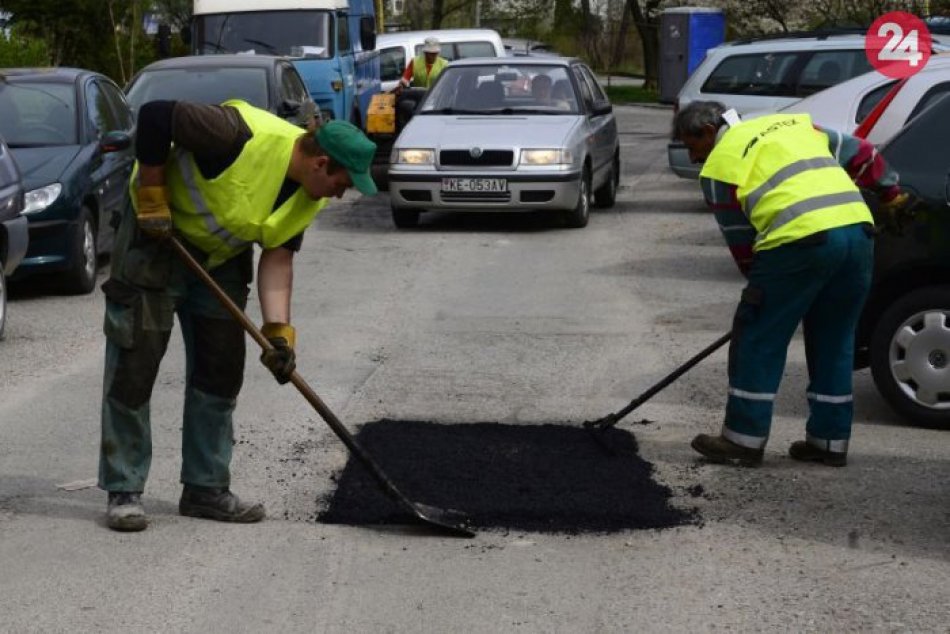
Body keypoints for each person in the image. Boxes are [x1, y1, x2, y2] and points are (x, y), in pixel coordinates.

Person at [98, 99, 377, 531]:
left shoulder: (309, 195)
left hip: (221, 258)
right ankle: (124, 490)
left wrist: (278, 335)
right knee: (136, 362)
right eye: (343, 183)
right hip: (157, 239)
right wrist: (153, 194)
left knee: (220, 370)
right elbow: (155, 115)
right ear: (321, 163)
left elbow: (278, 258)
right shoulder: (233, 133)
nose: (343, 193)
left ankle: (205, 489)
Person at [672, 101, 909, 468]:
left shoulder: (722, 165)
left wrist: (761, 296)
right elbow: (863, 152)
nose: (693, 157)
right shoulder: (791, 126)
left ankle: (742, 440)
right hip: (858, 234)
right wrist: (891, 194)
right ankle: (828, 441)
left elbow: (742, 245)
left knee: (757, 337)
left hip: (798, 240)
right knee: (834, 338)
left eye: (692, 146)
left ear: (707, 131)